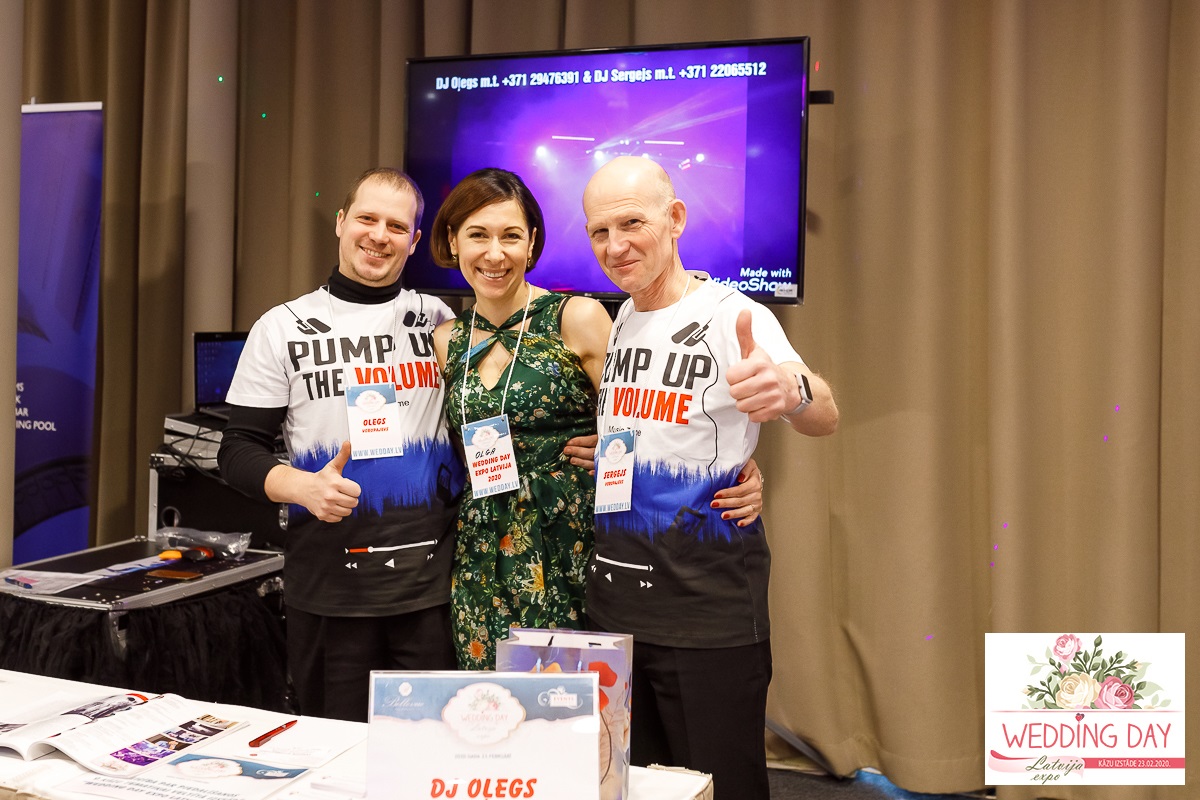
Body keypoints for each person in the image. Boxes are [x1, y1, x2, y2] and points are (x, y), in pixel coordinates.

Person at [429, 168, 765, 669]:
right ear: (453, 241)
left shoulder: (577, 316)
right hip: (482, 549)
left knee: (580, 699)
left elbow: (647, 413)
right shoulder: (446, 339)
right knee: (494, 699)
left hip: (573, 543)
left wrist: (738, 465)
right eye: (478, 235)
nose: (495, 254)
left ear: (532, 243)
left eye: (511, 236)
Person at [581, 156, 839, 799]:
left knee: (720, 787)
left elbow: (824, 415)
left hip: (704, 611)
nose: (615, 246)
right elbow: (661, 427)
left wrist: (791, 391)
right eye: (599, 232)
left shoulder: (732, 314)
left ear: (675, 219)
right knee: (636, 787)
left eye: (632, 224)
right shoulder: (624, 318)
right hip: (619, 606)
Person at [217, 167, 463, 722]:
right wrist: (301, 486)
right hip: (331, 591)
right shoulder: (281, 327)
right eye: (366, 219)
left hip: (431, 592)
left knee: (432, 751)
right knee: (339, 753)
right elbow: (236, 450)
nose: (379, 236)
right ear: (340, 222)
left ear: (414, 241)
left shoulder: (439, 321)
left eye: (396, 226)